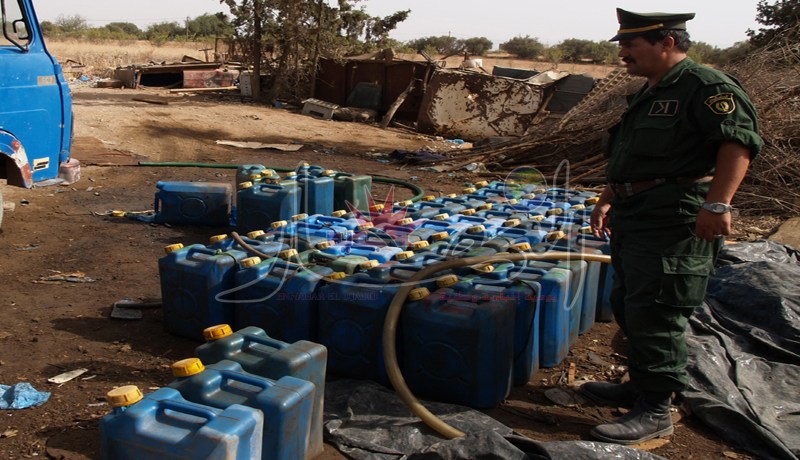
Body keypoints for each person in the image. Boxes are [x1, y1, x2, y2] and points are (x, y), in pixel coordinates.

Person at [581, 8, 763, 445]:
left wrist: (718, 203)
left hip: (673, 217)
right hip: (637, 213)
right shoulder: (652, 89)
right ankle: (642, 385)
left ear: (667, 42)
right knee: (630, 303)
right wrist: (608, 198)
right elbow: (635, 156)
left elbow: (737, 144)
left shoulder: (706, 87)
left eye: (631, 44)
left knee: (658, 309)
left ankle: (657, 409)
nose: (623, 52)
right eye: (622, 44)